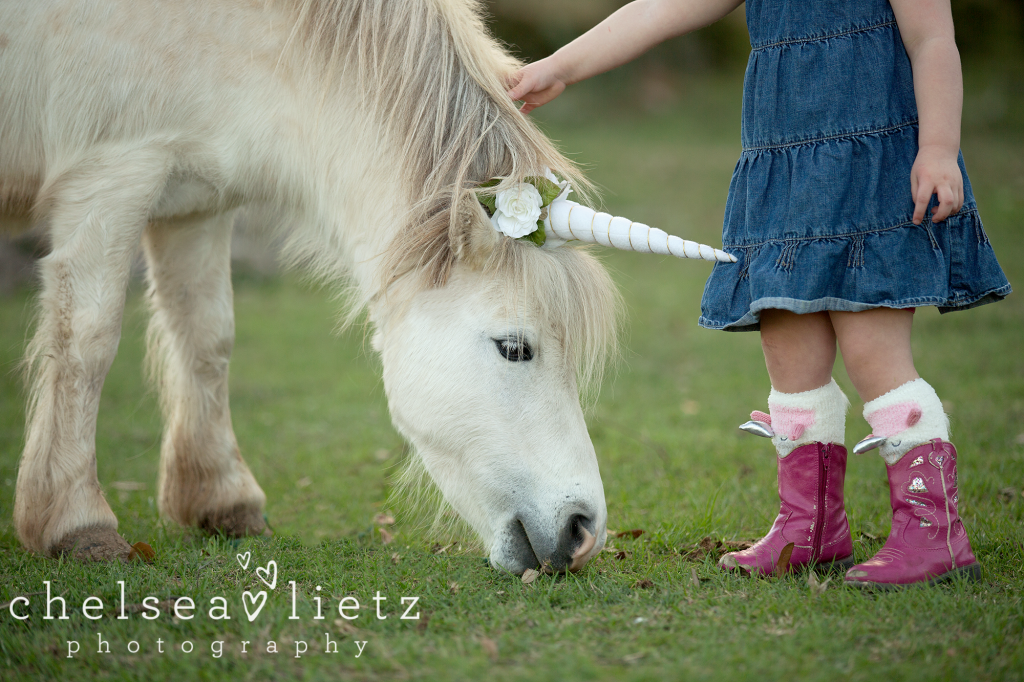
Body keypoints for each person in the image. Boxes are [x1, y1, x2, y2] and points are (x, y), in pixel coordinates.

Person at [507, 0, 1011, 587]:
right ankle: (811, 529)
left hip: (870, 169)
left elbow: (932, 43)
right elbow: (660, 8)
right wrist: (561, 67)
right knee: (788, 354)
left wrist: (939, 149)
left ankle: (933, 534)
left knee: (873, 354)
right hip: (783, 174)